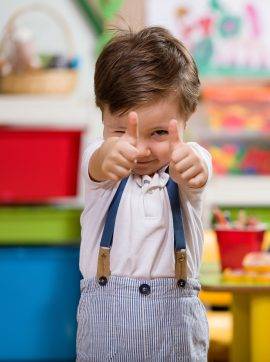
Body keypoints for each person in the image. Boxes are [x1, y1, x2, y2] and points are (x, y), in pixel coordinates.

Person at [76, 26, 212, 361]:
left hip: (176, 333)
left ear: (187, 116)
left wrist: (190, 170)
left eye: (160, 132)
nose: (139, 148)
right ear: (102, 116)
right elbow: (99, 161)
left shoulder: (189, 161)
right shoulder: (101, 166)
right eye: (122, 130)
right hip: (107, 335)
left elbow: (198, 169)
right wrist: (110, 152)